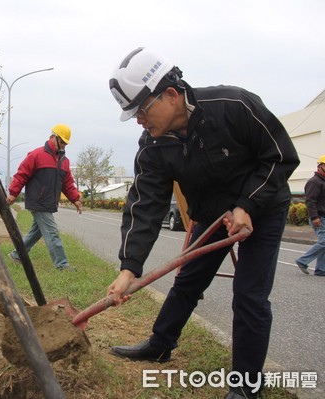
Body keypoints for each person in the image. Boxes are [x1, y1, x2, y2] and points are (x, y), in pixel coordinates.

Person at [106, 48, 299, 399]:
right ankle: (161, 343)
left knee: (249, 296)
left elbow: (281, 156)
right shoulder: (152, 145)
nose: (139, 121)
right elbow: (145, 205)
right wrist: (128, 268)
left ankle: (245, 386)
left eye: (142, 110)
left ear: (170, 94)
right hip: (210, 214)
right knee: (187, 282)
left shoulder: (234, 105)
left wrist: (246, 206)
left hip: (262, 208)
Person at [6, 124, 83, 271]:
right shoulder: (36, 155)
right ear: (54, 137)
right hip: (38, 201)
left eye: (66, 143)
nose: (64, 145)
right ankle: (62, 265)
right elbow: (21, 174)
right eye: (62, 142)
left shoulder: (64, 161)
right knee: (52, 232)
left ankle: (16, 255)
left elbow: (67, 183)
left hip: (49, 203)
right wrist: (13, 193)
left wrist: (76, 199)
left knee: (37, 232)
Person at [295, 156, 325, 276]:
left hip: (323, 217)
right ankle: (303, 260)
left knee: (324, 243)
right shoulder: (314, 182)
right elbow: (310, 201)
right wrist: (314, 217)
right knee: (324, 242)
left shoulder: (323, 181)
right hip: (318, 217)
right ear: (320, 166)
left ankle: (321, 269)